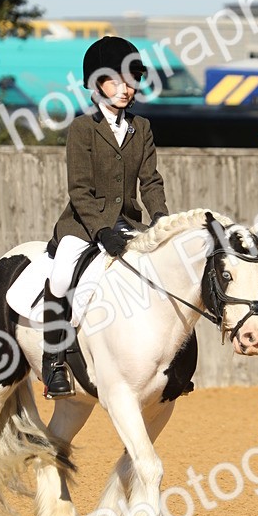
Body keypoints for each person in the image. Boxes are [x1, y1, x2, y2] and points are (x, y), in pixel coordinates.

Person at [41, 36, 169, 398]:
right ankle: (54, 361)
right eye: (116, 80)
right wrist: (100, 231)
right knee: (62, 274)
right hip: (83, 225)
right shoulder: (82, 129)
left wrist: (161, 218)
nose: (126, 89)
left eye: (132, 80)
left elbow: (151, 181)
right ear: (97, 84)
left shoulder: (141, 128)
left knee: (163, 271)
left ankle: (168, 364)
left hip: (129, 223)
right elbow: (79, 191)